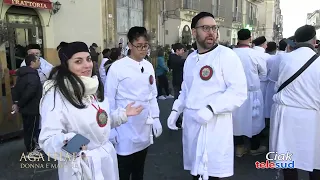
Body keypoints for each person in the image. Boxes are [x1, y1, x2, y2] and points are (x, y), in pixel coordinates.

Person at [38, 41, 143, 180]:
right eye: (78, 61)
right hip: (81, 166)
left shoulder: (93, 87)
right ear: (66, 65)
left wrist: (122, 115)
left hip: (106, 162)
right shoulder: (56, 95)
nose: (87, 65)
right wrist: (74, 144)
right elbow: (47, 141)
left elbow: (98, 123)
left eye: (88, 59)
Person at [167, 12, 247, 180]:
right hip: (192, 124)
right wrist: (176, 110)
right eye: (205, 28)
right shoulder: (190, 59)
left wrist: (212, 108)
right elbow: (186, 89)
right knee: (196, 172)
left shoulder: (226, 56)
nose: (211, 32)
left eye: (213, 28)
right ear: (194, 32)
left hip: (214, 126)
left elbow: (238, 91)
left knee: (212, 173)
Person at [106, 27, 163, 180]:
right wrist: (111, 128)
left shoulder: (149, 66)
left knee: (139, 171)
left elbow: (152, 95)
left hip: (143, 125)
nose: (143, 49)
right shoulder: (117, 67)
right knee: (123, 171)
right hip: (124, 127)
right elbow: (109, 98)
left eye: (146, 45)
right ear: (130, 45)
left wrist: (156, 118)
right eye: (139, 46)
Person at [270, 25, 320, 180]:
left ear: (296, 40)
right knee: (315, 159)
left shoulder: (283, 58)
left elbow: (273, 79)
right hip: (313, 116)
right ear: (314, 41)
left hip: (286, 115)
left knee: (288, 159)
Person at [232, 29, 267, 157]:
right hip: (252, 92)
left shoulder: (230, 53)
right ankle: (254, 147)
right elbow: (263, 73)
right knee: (255, 120)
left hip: (235, 93)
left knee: (236, 120)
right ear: (250, 38)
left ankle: (239, 147)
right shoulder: (255, 54)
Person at [12, 54, 42, 158]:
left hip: (25, 108)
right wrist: (19, 104)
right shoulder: (33, 75)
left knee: (27, 129)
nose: (39, 62)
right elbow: (30, 92)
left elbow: (15, 89)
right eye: (38, 60)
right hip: (32, 108)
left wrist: (16, 103)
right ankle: (31, 150)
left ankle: (31, 147)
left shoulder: (22, 74)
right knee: (32, 130)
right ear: (32, 63)